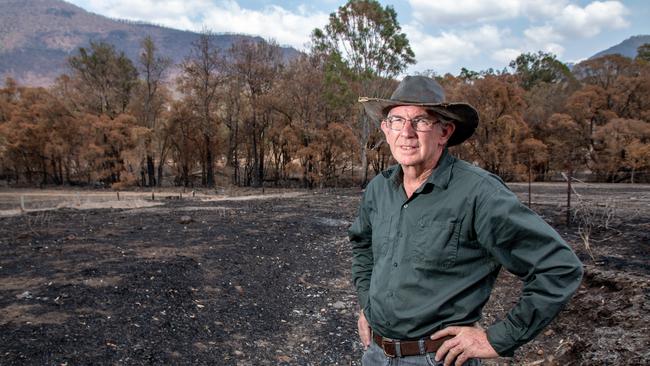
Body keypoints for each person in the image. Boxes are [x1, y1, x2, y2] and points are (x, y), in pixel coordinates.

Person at [349, 76, 583, 366]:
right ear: (385, 129)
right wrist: (367, 305)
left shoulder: (479, 193)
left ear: (444, 132)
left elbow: (558, 267)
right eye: (396, 120)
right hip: (376, 354)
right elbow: (362, 246)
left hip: (438, 359)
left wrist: (498, 338)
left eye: (421, 121)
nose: (406, 133)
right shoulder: (379, 189)